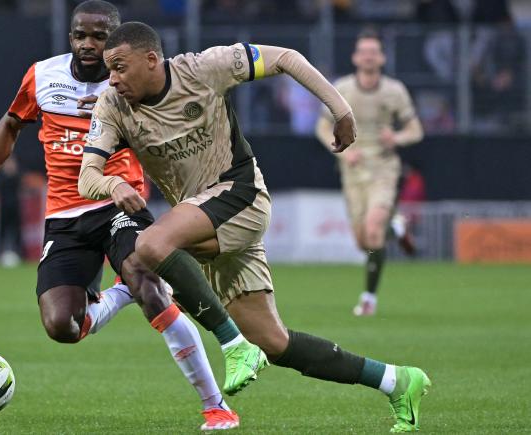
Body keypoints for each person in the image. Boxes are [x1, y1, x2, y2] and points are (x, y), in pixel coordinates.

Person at [79, 22, 431, 433]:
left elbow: (285, 58)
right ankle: (396, 380)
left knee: (150, 246)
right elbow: (88, 176)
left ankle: (231, 345)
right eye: (110, 69)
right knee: (274, 343)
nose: (113, 78)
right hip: (200, 216)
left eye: (120, 67)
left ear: (152, 59)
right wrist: (113, 182)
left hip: (239, 194)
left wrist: (341, 109)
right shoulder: (112, 106)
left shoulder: (204, 68)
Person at [0, 1, 265, 430]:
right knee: (62, 326)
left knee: (152, 291)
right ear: (69, 37)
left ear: (117, 39)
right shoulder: (42, 76)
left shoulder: (129, 82)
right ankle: (124, 289)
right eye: (79, 35)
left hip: (118, 206)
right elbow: (9, 125)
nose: (88, 45)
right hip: (65, 216)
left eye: (99, 36)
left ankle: (216, 405)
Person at [315, 28, 424, 316]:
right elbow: (323, 126)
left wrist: (397, 138)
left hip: (384, 169)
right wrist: (345, 151)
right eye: (363, 51)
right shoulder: (343, 89)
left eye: (373, 51)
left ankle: (369, 300)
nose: (368, 57)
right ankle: (396, 229)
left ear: (382, 58)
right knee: (364, 241)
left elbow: (416, 130)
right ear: (355, 57)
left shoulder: (395, 90)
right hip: (353, 171)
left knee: (373, 230)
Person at [0, 153, 23, 267]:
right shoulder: (1, 175)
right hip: (3, 208)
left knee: (16, 232)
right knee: (2, 232)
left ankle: (18, 254)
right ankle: (0, 254)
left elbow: (20, 183)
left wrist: (13, 173)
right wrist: (6, 173)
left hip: (15, 207)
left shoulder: (17, 175)